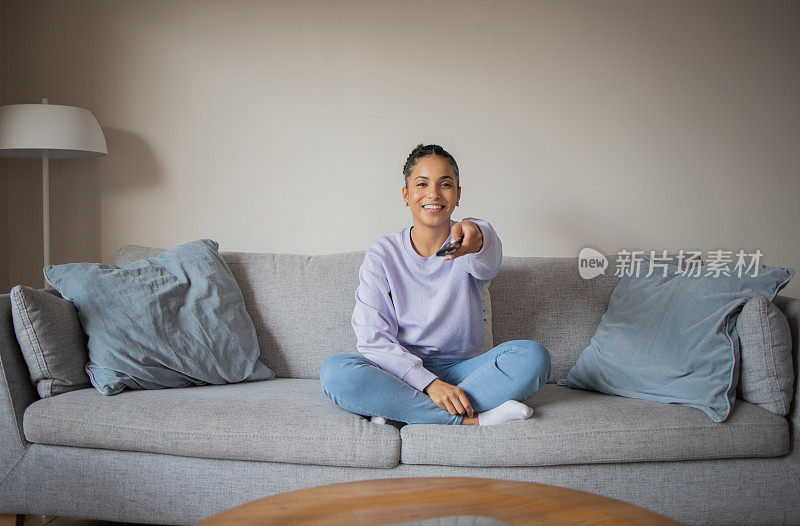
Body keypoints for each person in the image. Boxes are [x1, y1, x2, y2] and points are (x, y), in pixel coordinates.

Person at [319, 144, 551, 425]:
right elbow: (373, 338)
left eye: (445, 184)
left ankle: (400, 411)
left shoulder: (468, 241)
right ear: (406, 194)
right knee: (336, 372)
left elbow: (487, 257)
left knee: (533, 357)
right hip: (400, 372)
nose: (434, 194)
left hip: (465, 370)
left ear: (458, 194)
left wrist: (477, 233)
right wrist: (429, 384)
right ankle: (473, 420)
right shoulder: (383, 253)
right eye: (422, 184)